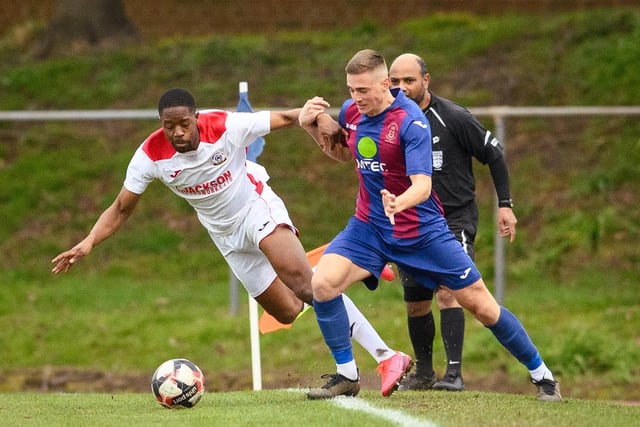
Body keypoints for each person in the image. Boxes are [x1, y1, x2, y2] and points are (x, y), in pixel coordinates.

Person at [50, 87, 411, 397]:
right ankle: (347, 267)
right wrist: (88, 243)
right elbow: (120, 209)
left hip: (256, 210)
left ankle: (384, 356)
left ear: (195, 117)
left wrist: (316, 118)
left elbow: (286, 118)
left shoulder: (224, 125)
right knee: (286, 311)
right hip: (226, 237)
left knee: (308, 287)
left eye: (184, 123)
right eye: (168, 125)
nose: (177, 132)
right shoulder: (150, 155)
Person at [299, 49, 561, 402]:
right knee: (323, 283)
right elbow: (348, 154)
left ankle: (542, 376)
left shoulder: (410, 122)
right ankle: (347, 374)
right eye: (350, 90)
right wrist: (312, 129)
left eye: (362, 90)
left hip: (421, 232)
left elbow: (422, 186)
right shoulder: (352, 112)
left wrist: (399, 201)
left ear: (385, 84)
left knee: (482, 306)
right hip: (370, 227)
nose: (355, 98)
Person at [387, 53, 519, 392]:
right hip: (412, 223)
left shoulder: (454, 117)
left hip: (453, 219)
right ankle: (424, 373)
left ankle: (454, 374)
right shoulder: (387, 120)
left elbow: (494, 154)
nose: (401, 88)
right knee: (416, 302)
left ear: (426, 81)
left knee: (449, 293)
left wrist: (505, 205)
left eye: (409, 81)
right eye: (395, 81)